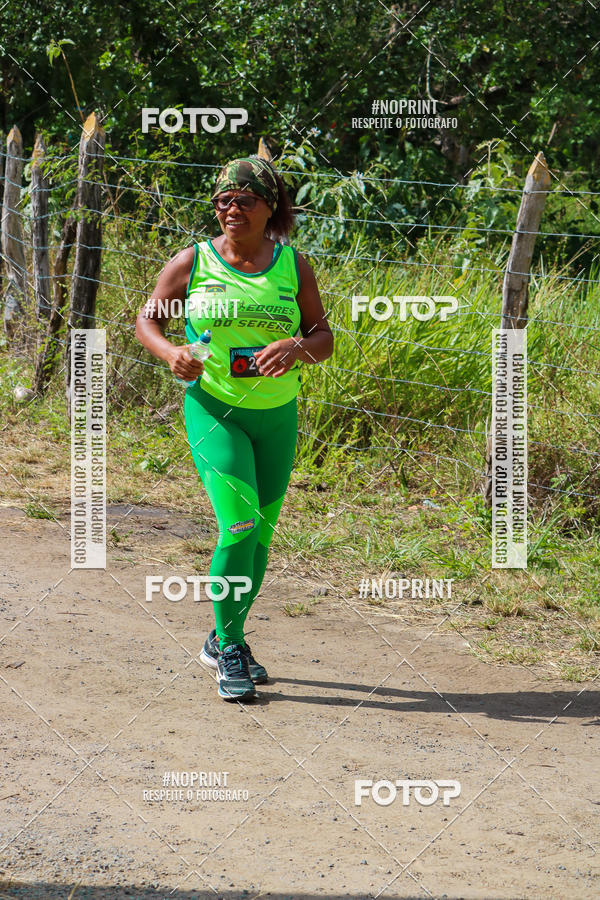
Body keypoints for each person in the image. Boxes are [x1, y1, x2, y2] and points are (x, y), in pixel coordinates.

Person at [136, 156, 333, 701]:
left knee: (262, 535)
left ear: (271, 208)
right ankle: (228, 647)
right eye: (223, 200)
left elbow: (324, 340)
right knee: (239, 527)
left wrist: (294, 347)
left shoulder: (294, 266)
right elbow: (148, 318)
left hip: (276, 415)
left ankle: (229, 637)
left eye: (245, 200)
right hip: (214, 408)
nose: (231, 210)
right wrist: (171, 351)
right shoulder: (193, 261)